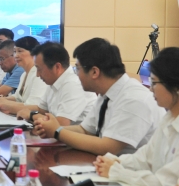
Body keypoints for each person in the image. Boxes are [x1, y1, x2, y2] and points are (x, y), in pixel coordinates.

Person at [33, 38, 163, 155]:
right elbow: (85, 130)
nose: (76, 74)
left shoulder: (134, 98)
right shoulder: (106, 94)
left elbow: (107, 147)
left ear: (94, 72)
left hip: (137, 171)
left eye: (77, 68)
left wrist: (57, 132)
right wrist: (51, 129)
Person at [94, 47, 179, 186]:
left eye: (154, 83)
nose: (150, 89)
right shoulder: (169, 118)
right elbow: (145, 158)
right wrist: (115, 161)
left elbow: (165, 184)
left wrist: (117, 172)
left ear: (176, 86)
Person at [7, 42, 95, 126]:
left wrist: (32, 115)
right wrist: (14, 108)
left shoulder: (74, 84)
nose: (37, 75)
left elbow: (61, 124)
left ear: (57, 67)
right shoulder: (53, 81)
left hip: (76, 135)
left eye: (39, 69)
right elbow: (41, 109)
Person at [0, 36, 48, 112]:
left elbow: (33, 105)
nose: (16, 55)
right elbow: (18, 97)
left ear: (33, 53)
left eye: (20, 51)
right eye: (14, 52)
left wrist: (5, 103)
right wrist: (1, 99)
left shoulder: (39, 75)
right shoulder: (24, 74)